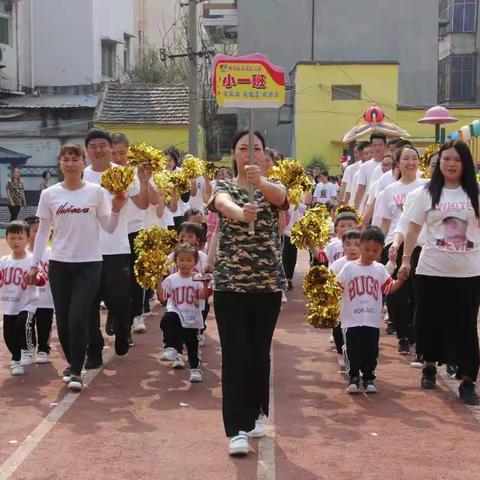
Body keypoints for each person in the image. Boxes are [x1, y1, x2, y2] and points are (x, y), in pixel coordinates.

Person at [208, 129, 288, 456]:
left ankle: (254, 413)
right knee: (236, 353)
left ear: (265, 155)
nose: (250, 153)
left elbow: (279, 199)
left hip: (267, 283)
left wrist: (260, 183)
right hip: (230, 284)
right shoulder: (223, 187)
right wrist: (243, 213)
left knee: (259, 352)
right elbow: (223, 205)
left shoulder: (275, 187)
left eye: (256, 148)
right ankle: (236, 428)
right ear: (234, 154)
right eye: (244, 148)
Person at [30, 143, 126, 391]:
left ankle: (75, 370)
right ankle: (73, 362)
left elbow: (109, 227)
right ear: (60, 164)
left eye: (75, 159)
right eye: (66, 159)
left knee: (78, 316)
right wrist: (34, 264)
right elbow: (42, 232)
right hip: (60, 263)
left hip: (89, 263)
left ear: (83, 163)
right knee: (62, 320)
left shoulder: (96, 192)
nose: (71, 163)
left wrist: (116, 210)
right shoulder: (49, 194)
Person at [399, 140, 480, 405]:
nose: (451, 164)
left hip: (469, 273)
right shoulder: (427, 192)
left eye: (456, 159)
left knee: (466, 325)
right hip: (432, 269)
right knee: (429, 319)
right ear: (439, 163)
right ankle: (430, 365)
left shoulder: (475, 193)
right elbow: (412, 229)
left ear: (465, 163)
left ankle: (467, 379)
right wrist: (406, 260)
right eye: (446, 159)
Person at [83, 129, 150, 368]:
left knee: (119, 300)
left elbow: (142, 203)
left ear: (110, 148)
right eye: (93, 146)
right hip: (86, 251)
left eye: (103, 145)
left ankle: (123, 330)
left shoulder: (122, 173)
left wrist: (142, 183)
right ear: (87, 150)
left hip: (116, 248)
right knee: (88, 303)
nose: (98, 150)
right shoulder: (81, 176)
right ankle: (94, 349)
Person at [337, 226, 406, 394]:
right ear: (360, 246)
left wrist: (401, 280)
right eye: (366, 249)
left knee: (371, 350)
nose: (370, 254)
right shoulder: (349, 268)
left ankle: (368, 377)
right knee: (354, 348)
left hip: (372, 320)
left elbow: (388, 288)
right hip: (352, 319)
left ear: (381, 251)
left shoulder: (379, 269)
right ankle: (354, 376)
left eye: (375, 251)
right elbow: (337, 287)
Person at [377, 145, 424, 355]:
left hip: (422, 245)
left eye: (414, 158)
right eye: (406, 158)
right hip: (394, 244)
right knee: (397, 293)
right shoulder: (389, 190)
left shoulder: (427, 186)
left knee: (418, 292)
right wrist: (380, 248)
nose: (410, 162)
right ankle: (402, 335)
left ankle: (415, 331)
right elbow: (386, 223)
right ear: (398, 163)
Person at [111, 132, 152, 336]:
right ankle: (116, 314)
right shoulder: (100, 174)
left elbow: (143, 203)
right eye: (114, 153)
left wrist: (144, 183)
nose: (118, 158)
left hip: (134, 231)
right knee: (114, 280)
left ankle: (136, 315)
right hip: (110, 234)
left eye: (122, 153)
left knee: (135, 277)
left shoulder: (133, 173)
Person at [157, 243, 211, 383]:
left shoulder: (198, 278)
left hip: (192, 318)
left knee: (192, 344)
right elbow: (162, 298)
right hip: (177, 313)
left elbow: (202, 295)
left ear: (195, 261)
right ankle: (170, 347)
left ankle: (195, 369)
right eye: (181, 260)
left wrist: (205, 285)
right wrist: (156, 281)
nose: (185, 263)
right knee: (167, 319)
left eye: (189, 260)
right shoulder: (171, 279)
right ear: (176, 261)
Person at [2, 221, 46, 376]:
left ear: (27, 239)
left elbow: (42, 279)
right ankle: (15, 359)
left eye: (20, 238)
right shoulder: (4, 261)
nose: (16, 241)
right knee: (8, 334)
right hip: (9, 304)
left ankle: (28, 348)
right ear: (6, 238)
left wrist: (34, 278)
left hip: (27, 303)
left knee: (23, 325)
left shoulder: (32, 260)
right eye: (12, 238)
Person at [329, 229, 361, 371]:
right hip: (340, 303)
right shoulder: (337, 265)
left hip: (358, 305)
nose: (352, 248)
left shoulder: (366, 264)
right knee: (339, 327)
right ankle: (340, 352)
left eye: (357, 244)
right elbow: (330, 282)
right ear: (343, 247)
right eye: (348, 244)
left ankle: (356, 356)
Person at [24, 216, 54, 364]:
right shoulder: (22, 255)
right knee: (27, 325)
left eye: (44, 230)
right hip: (28, 300)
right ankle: (30, 347)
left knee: (44, 325)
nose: (41, 233)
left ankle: (43, 349)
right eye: (36, 231)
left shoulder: (51, 252)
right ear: (26, 233)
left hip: (47, 298)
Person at [353, 133, 387, 211]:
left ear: (385, 146)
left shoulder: (392, 164)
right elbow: (360, 189)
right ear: (371, 147)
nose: (377, 148)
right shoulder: (365, 166)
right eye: (375, 145)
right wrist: (354, 211)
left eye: (380, 145)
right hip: (369, 206)